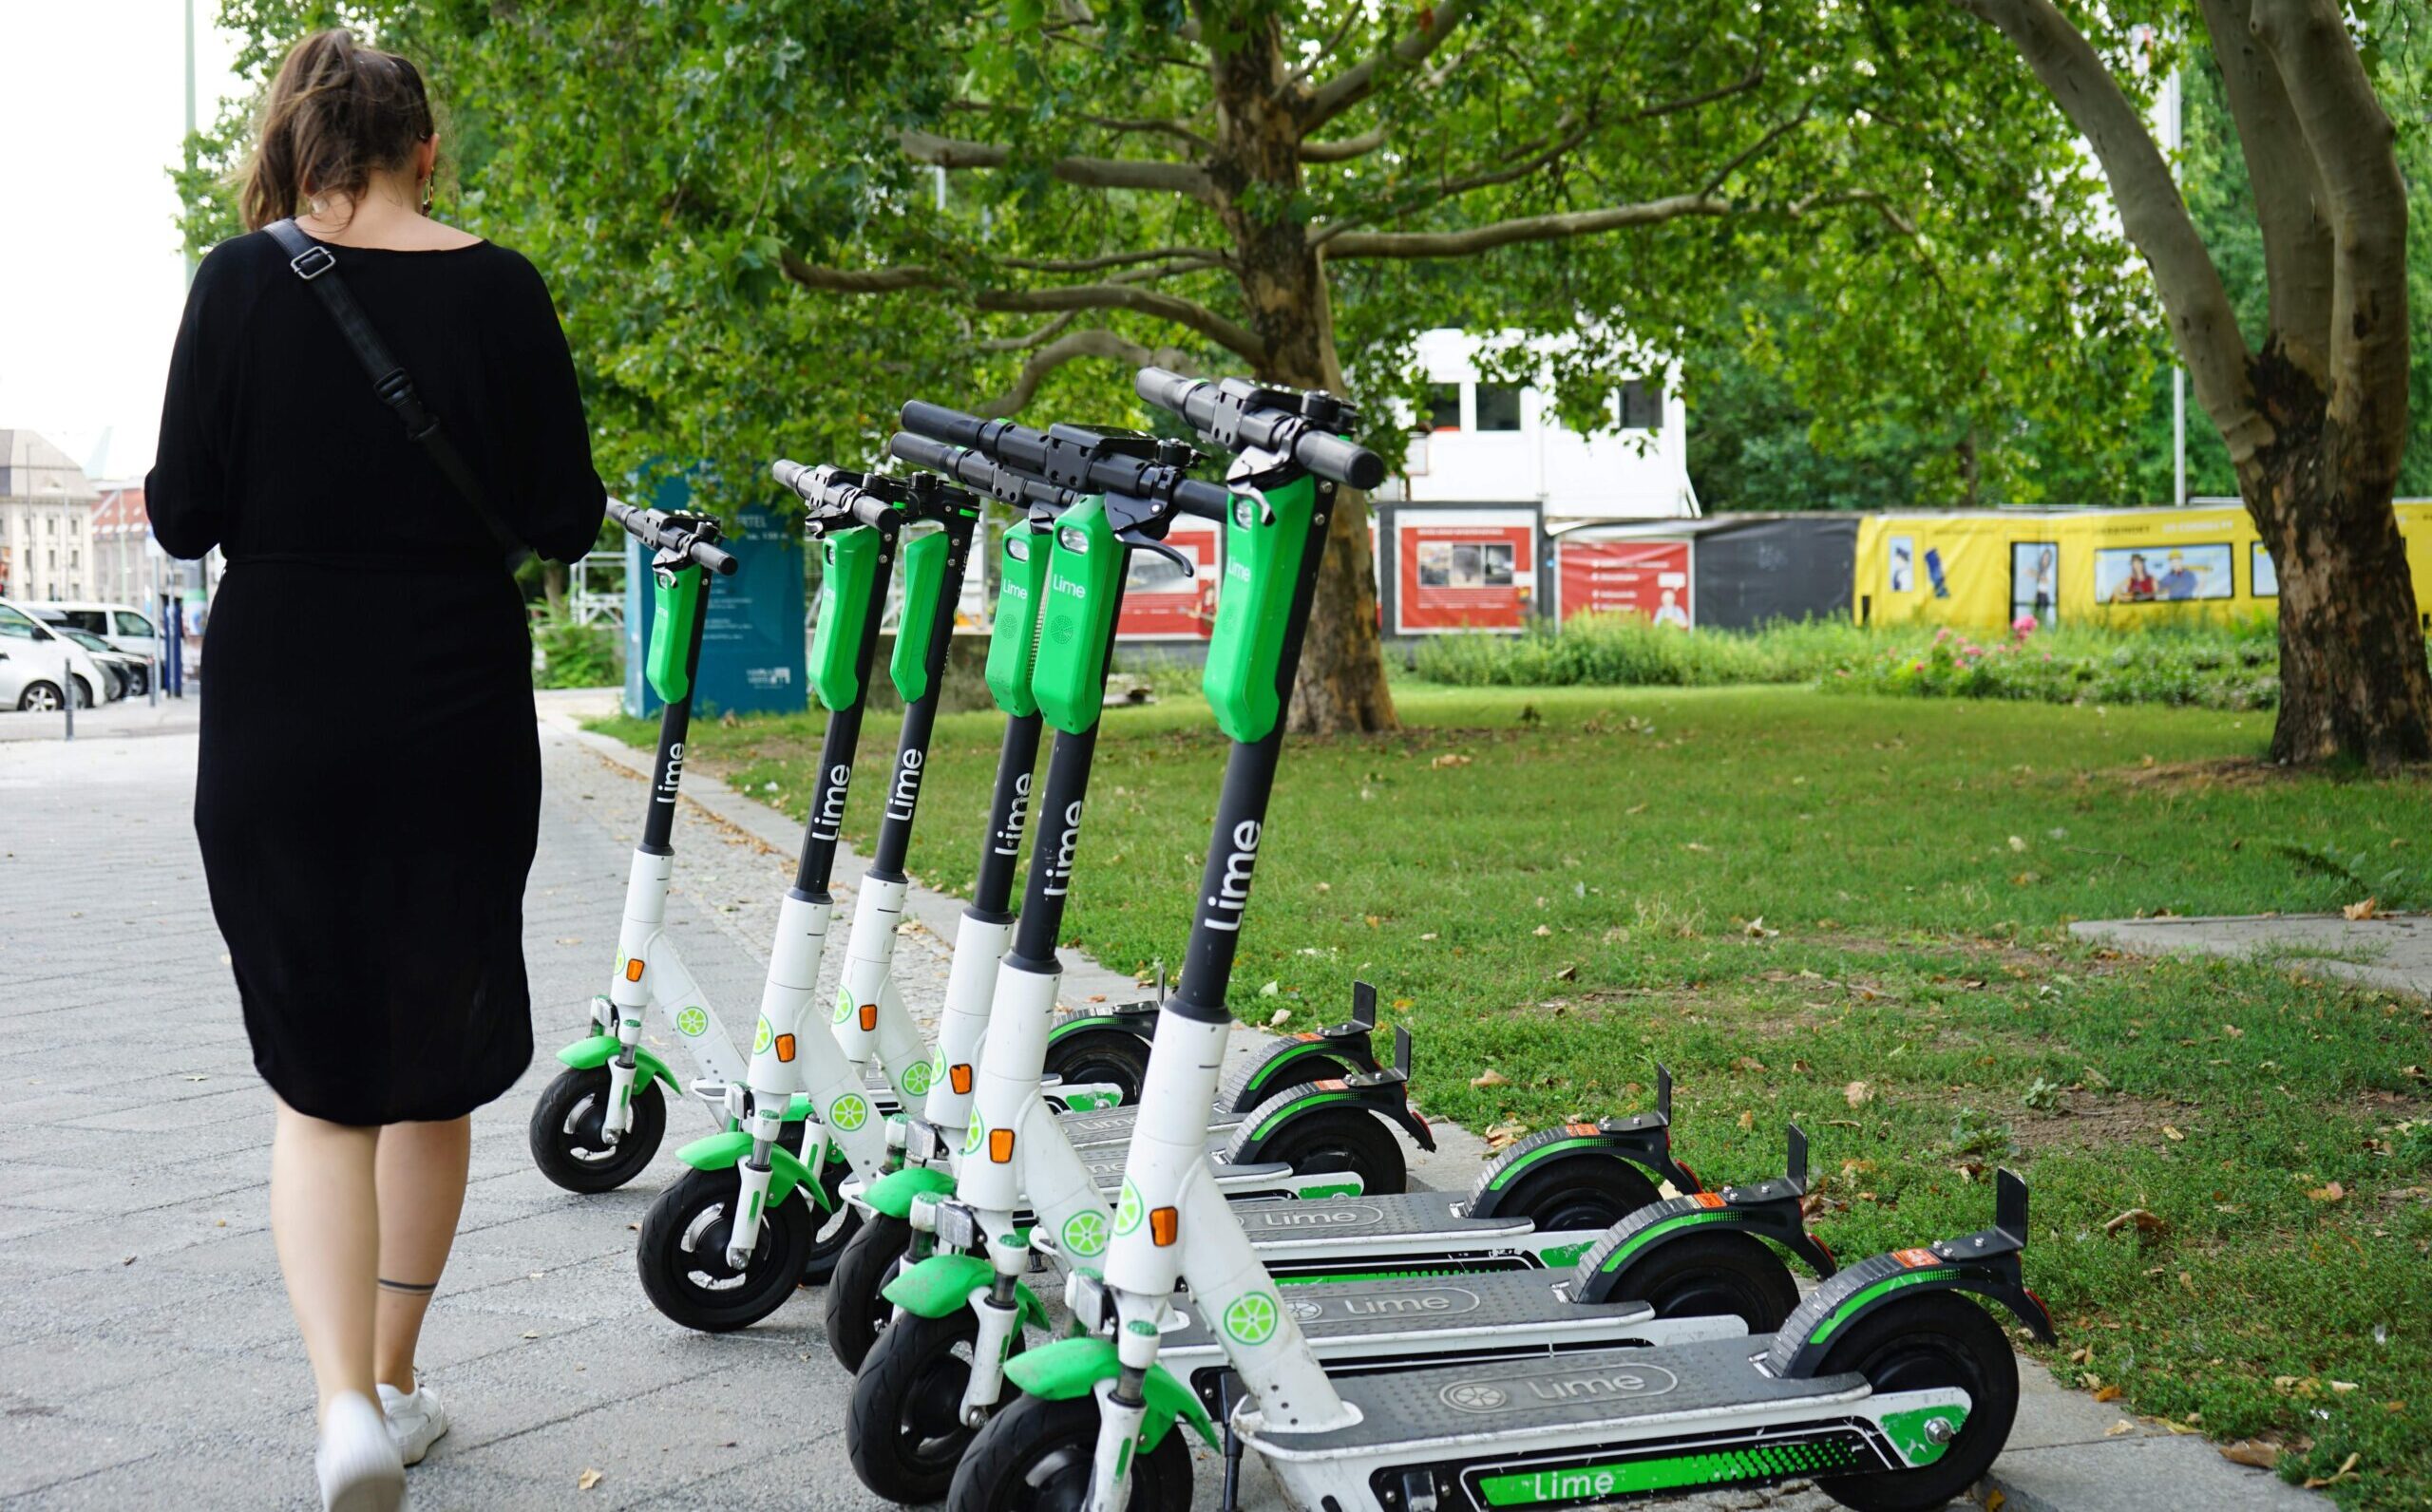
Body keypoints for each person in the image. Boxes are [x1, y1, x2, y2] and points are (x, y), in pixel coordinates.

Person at [145, 29, 604, 1512]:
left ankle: (339, 1404)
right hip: (454, 703)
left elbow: (179, 516)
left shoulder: (234, 284)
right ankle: (397, 1381)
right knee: (433, 1055)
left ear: (296, 147)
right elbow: (563, 518)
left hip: (281, 702)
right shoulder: (504, 286)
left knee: (320, 1085)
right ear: (423, 149)